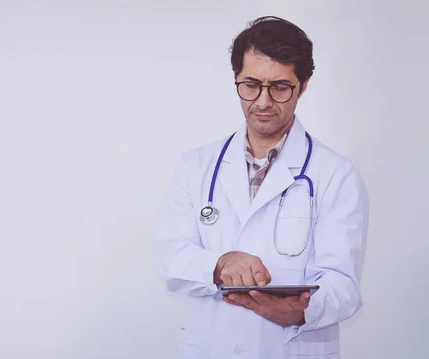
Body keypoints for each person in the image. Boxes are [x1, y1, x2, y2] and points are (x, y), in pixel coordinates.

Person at [153, 16, 369, 358]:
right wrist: (221, 262)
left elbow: (343, 285)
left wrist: (298, 312)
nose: (264, 102)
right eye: (251, 84)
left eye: (280, 87)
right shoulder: (195, 167)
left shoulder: (336, 174)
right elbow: (172, 260)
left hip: (290, 347)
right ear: (236, 78)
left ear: (304, 85)